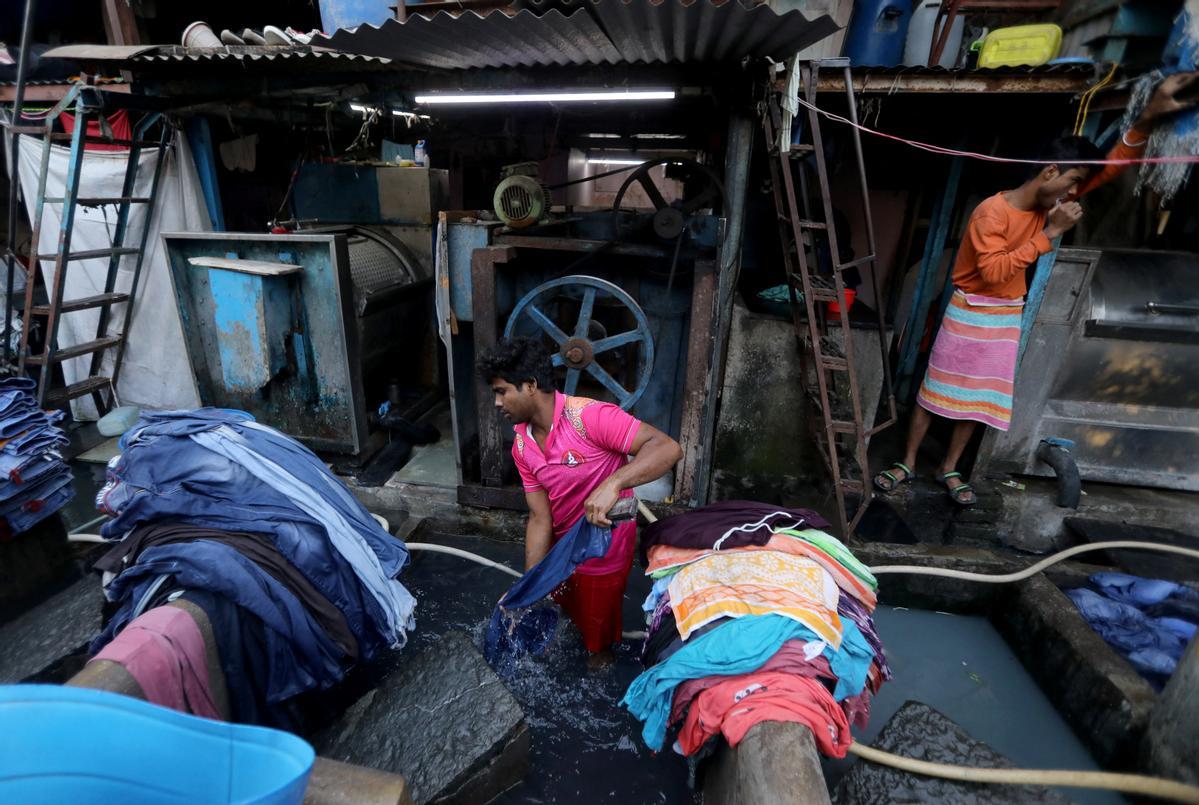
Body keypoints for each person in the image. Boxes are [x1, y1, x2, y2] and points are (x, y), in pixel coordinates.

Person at [875, 72, 1198, 507]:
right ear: (1050, 171)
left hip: (1007, 315)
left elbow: (1114, 164)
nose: (1073, 192)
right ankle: (909, 460)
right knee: (937, 393)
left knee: (979, 401)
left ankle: (947, 466)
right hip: (970, 309)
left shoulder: (1050, 201)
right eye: (1069, 182)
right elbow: (992, 272)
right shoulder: (992, 212)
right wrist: (1050, 234)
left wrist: (1147, 117)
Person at [477, 337, 683, 660]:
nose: (497, 403)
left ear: (530, 385)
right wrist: (531, 585)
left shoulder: (589, 417)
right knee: (558, 626)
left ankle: (600, 663)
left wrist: (614, 482)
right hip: (561, 554)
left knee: (597, 648)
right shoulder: (521, 445)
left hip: (603, 555)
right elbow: (539, 517)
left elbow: (668, 447)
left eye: (502, 392)